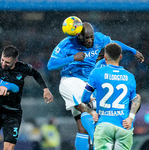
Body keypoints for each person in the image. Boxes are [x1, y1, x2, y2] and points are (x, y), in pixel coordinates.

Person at [47, 21, 144, 150]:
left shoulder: (99, 38)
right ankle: (98, 140)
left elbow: (114, 44)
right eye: (87, 38)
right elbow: (51, 65)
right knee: (87, 108)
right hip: (72, 81)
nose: (90, 40)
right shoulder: (67, 43)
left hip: (88, 82)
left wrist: (133, 51)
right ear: (78, 37)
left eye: (91, 37)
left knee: (83, 128)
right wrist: (72, 58)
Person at [0, 45, 53, 150]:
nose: (3, 64)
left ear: (15, 60)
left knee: (8, 148)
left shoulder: (23, 68)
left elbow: (35, 73)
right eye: (2, 60)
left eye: (7, 62)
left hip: (13, 112)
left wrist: (45, 89)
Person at [81, 43, 141, 150]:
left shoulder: (96, 72)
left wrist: (92, 112)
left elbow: (83, 100)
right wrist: (131, 118)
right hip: (124, 125)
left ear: (105, 57)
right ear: (121, 57)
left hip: (104, 124)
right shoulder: (130, 76)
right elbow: (136, 99)